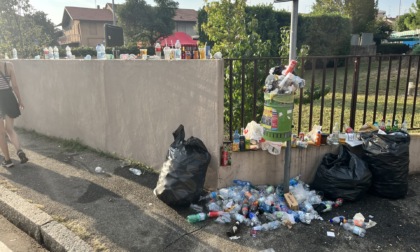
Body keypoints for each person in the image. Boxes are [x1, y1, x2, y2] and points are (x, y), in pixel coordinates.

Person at [0, 61, 28, 167]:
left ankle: (8, 161)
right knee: (10, 130)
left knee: (1, 134)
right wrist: (20, 100)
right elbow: (15, 86)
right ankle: (19, 151)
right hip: (9, 98)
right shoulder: (9, 65)